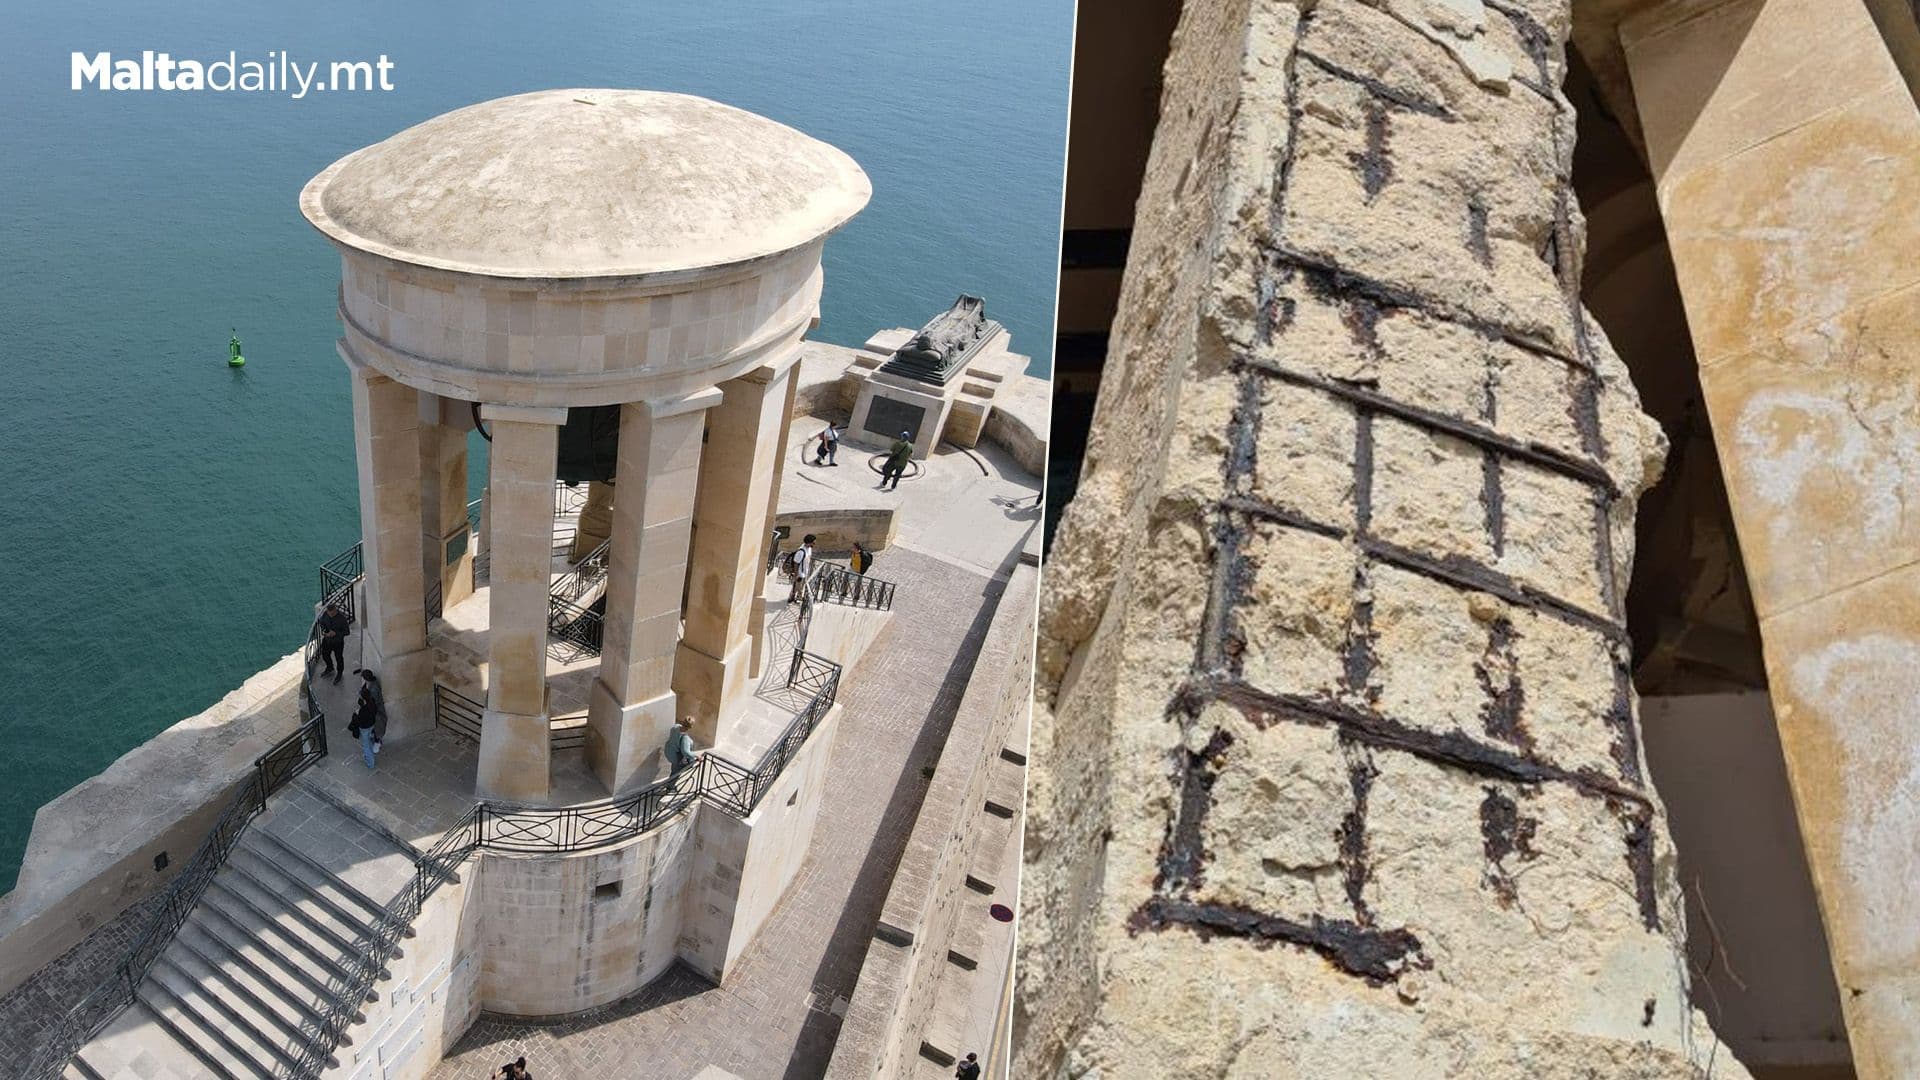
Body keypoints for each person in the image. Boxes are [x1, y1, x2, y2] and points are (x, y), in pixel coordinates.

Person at [355, 669, 388, 761]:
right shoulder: (370, 684)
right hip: (373, 711)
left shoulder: (373, 689)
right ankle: (375, 739)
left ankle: (378, 742)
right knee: (374, 729)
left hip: (377, 713)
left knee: (377, 728)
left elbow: (373, 702)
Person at [316, 602, 350, 683]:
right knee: (325, 655)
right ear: (327, 611)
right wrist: (325, 632)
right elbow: (322, 623)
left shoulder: (342, 618)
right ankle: (329, 667)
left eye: (333, 613)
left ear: (336, 610)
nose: (331, 615)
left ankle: (339, 673)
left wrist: (336, 633)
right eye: (330, 613)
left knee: (339, 658)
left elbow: (347, 632)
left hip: (338, 642)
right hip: (327, 640)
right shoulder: (325, 614)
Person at [788, 533, 818, 605]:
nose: (815, 544)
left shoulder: (809, 549)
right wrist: (796, 574)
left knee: (798, 587)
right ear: (809, 542)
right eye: (814, 542)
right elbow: (796, 563)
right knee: (798, 587)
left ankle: (793, 597)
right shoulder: (801, 552)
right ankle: (795, 599)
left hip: (805, 572)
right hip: (800, 574)